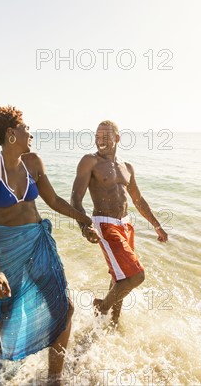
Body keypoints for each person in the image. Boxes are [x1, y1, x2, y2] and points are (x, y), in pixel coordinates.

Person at [0, 106, 97, 384]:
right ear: (11, 133)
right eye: (26, 127)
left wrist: (83, 219)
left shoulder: (34, 162)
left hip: (38, 243)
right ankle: (6, 359)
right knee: (7, 312)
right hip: (5, 251)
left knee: (65, 307)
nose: (31, 132)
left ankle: (54, 378)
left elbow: (53, 201)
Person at [71, 120, 168, 324]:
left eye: (105, 136)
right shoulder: (90, 161)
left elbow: (138, 200)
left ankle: (113, 323)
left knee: (120, 277)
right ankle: (102, 307)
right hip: (105, 223)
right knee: (136, 276)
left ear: (117, 138)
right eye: (97, 136)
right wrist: (84, 226)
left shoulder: (127, 167)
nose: (100, 141)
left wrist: (157, 226)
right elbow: (76, 198)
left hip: (125, 223)